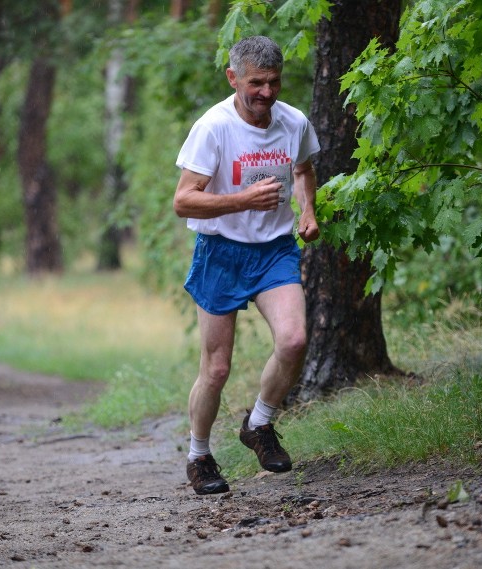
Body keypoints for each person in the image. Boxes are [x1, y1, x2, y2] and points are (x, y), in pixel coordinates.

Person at [172, 35, 320, 495]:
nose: (267, 93)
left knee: (294, 340)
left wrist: (308, 211)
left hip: (274, 249)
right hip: (221, 252)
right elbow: (183, 201)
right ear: (233, 78)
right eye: (256, 83)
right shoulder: (213, 128)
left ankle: (259, 424)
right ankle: (199, 455)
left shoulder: (293, 122)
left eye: (274, 82)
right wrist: (241, 199)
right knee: (216, 369)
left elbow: (302, 169)